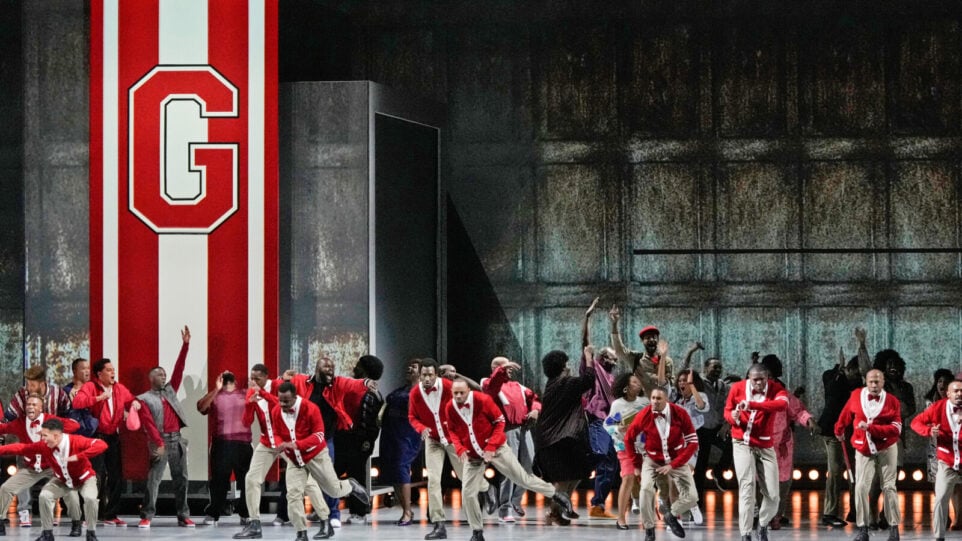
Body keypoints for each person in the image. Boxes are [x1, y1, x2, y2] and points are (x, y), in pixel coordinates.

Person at [445, 379, 574, 541]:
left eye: (461, 393)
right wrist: (460, 448)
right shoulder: (450, 407)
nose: (458, 396)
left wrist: (491, 448)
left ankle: (556, 495)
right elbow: (452, 430)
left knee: (522, 478)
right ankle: (477, 532)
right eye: (455, 393)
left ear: (468, 391)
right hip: (473, 453)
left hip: (497, 448)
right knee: (468, 494)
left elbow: (500, 422)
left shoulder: (483, 399)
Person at [233, 365, 324, 539]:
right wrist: (248, 404)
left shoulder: (277, 387)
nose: (254, 381)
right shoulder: (251, 391)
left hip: (285, 441)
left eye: (257, 378)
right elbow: (246, 422)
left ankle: (325, 518)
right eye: (252, 378)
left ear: (266, 377)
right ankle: (254, 523)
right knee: (251, 478)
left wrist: (263, 394)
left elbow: (281, 406)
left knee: (308, 481)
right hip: (267, 442)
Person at [408, 358, 494, 540]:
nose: (427, 378)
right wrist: (421, 428)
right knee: (433, 480)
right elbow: (412, 416)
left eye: (430, 374)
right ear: (420, 375)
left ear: (436, 374)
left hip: (453, 439)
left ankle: (486, 487)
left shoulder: (448, 386)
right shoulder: (415, 393)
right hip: (433, 440)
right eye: (424, 375)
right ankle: (439, 525)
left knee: (466, 476)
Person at [271, 382, 369, 541]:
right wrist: (279, 443)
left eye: (286, 401)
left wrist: (297, 444)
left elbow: (319, 436)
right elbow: (275, 433)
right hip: (295, 459)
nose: (282, 404)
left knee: (333, 490)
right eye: (280, 400)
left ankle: (350, 485)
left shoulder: (310, 409)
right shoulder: (276, 411)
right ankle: (301, 533)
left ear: (295, 397)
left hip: (316, 454)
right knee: (293, 495)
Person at [284, 355, 374, 528]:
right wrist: (282, 378)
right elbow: (281, 386)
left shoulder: (337, 384)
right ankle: (298, 516)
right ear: (317, 368)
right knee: (296, 481)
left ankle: (334, 513)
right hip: (302, 440)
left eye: (332, 366)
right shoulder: (302, 381)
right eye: (326, 366)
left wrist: (365, 383)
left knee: (328, 479)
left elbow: (352, 384)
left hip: (325, 440)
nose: (330, 369)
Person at [0, 418, 106, 541]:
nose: (42, 438)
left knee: (90, 498)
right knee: (44, 496)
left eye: (45, 435)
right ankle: (47, 533)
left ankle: (91, 533)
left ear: (56, 436)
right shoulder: (44, 446)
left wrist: (79, 456)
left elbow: (101, 444)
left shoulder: (76, 441)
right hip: (63, 480)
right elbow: (22, 448)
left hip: (85, 478)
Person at [135, 325, 195, 528]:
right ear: (151, 377)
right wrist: (158, 443)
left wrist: (185, 345)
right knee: (154, 480)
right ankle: (147, 515)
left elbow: (179, 369)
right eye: (160, 374)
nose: (164, 376)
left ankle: (183, 515)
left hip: (176, 439)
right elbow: (149, 424)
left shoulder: (170, 390)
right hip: (158, 441)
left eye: (164, 374)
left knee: (182, 479)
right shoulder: (144, 398)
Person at [624, 385, 699, 541]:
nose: (655, 402)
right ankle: (649, 529)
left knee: (692, 497)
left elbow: (693, 441)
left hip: (676, 459)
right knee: (645, 490)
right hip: (652, 460)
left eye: (659, 398)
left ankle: (670, 515)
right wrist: (637, 465)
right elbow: (628, 438)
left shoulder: (680, 413)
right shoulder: (644, 414)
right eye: (653, 398)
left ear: (667, 400)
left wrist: (674, 464)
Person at [835, 369, 902, 541]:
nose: (874, 385)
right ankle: (863, 528)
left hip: (886, 446)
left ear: (883, 381)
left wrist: (872, 428)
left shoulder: (892, 401)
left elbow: (896, 429)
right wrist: (839, 428)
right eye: (871, 381)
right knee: (861, 487)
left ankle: (894, 528)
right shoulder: (856, 395)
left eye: (877, 381)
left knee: (889, 487)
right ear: (865, 381)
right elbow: (845, 414)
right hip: (863, 447)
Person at [0, 395, 81, 536]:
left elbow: (75, 426)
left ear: (41, 408)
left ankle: (76, 523)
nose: (31, 407)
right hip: (31, 468)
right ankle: (0, 522)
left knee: (70, 490)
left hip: (52, 467)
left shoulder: (50, 420)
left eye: (34, 405)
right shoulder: (20, 423)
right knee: (6, 488)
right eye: (29, 404)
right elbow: (4, 428)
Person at [724, 363, 788, 541]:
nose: (758, 383)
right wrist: (732, 417)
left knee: (774, 495)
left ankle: (763, 523)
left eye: (762, 379)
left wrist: (752, 405)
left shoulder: (776, 389)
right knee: (747, 487)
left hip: (765, 444)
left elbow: (781, 405)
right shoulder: (737, 388)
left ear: (768, 378)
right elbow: (728, 410)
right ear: (749, 379)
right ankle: (745, 534)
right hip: (741, 442)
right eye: (755, 380)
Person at [533, 348, 596, 526]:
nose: (569, 367)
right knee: (562, 480)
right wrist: (589, 358)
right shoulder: (563, 383)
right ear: (562, 367)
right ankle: (553, 512)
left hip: (561, 440)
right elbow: (589, 380)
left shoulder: (554, 383)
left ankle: (559, 508)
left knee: (576, 473)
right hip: (555, 441)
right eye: (567, 364)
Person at [5, 364, 73, 526]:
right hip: (29, 442)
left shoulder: (58, 394)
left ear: (42, 383)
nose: (29, 388)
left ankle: (49, 508)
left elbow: (68, 413)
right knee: (23, 472)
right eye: (27, 384)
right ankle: (24, 511)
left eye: (32, 384)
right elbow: (10, 415)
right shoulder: (22, 394)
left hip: (51, 444)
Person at [71, 357, 136, 526]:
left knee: (116, 476)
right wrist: (98, 398)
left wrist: (136, 403)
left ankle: (110, 514)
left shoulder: (119, 389)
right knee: (95, 477)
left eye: (113, 369)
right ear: (99, 374)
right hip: (96, 437)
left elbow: (131, 399)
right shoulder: (90, 386)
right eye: (108, 370)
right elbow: (77, 402)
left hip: (113, 437)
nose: (113, 372)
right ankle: (89, 515)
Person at [759, 354, 816, 529]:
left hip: (782, 446)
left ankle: (777, 515)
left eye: (769, 377)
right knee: (759, 482)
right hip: (759, 445)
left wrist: (809, 420)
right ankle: (762, 515)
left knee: (783, 482)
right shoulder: (749, 395)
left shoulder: (782, 394)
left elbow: (798, 411)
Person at [481, 356, 540, 523]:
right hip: (506, 430)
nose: (509, 370)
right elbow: (492, 386)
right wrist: (501, 370)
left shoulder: (518, 386)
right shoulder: (488, 383)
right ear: (496, 368)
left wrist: (535, 410)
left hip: (524, 429)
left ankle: (514, 501)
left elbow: (534, 399)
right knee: (509, 470)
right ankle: (505, 508)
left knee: (528, 468)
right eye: (504, 367)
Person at [819, 340, 869, 527]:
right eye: (853, 372)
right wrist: (840, 370)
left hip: (851, 432)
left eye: (858, 375)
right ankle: (829, 512)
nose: (855, 377)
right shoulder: (832, 376)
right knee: (835, 470)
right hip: (833, 432)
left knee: (854, 471)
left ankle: (855, 511)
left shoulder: (856, 385)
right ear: (847, 368)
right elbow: (831, 391)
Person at [197, 370, 253, 526]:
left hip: (243, 443)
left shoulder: (245, 393)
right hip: (222, 444)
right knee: (219, 481)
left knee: (246, 481)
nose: (227, 373)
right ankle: (213, 513)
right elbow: (201, 408)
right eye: (224, 373)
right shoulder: (215, 396)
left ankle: (246, 513)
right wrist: (216, 389)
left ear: (235, 381)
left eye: (229, 373)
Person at [580, 298, 619, 519]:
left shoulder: (613, 379)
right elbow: (586, 343)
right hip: (597, 420)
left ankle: (597, 505)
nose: (614, 361)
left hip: (611, 423)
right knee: (600, 455)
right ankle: (573, 464)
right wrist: (588, 317)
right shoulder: (593, 367)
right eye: (611, 358)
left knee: (611, 464)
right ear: (603, 358)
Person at [333, 355, 384, 522]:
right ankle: (327, 507)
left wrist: (364, 442)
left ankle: (359, 512)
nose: (354, 368)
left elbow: (367, 421)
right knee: (333, 472)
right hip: (345, 437)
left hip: (357, 440)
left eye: (358, 366)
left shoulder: (370, 394)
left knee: (356, 474)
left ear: (365, 370)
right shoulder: (354, 388)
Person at [911, 379, 962, 541]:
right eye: (956, 391)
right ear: (948, 394)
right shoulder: (938, 407)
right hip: (946, 461)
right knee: (940, 499)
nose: (959, 394)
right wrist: (928, 430)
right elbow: (915, 422)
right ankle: (939, 537)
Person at [377, 358, 422, 526]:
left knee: (401, 467)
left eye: (414, 367)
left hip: (407, 433)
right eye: (409, 365)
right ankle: (406, 509)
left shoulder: (421, 390)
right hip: (390, 432)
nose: (409, 368)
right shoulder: (402, 389)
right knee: (393, 470)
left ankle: (407, 512)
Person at [605, 372, 648, 529]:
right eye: (635, 382)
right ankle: (621, 518)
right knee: (628, 477)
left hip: (644, 447)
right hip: (625, 446)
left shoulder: (645, 402)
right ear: (626, 388)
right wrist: (618, 428)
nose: (639, 384)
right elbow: (608, 424)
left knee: (647, 480)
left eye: (639, 382)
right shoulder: (618, 405)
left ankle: (647, 517)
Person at [923, 368, 962, 528]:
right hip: (934, 450)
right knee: (938, 486)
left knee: (957, 486)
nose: (942, 384)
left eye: (945, 382)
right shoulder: (930, 402)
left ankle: (959, 519)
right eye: (939, 381)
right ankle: (943, 519)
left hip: (955, 450)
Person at [609, 305, 672, 395]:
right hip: (642, 404)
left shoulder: (666, 361)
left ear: (658, 339)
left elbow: (670, 385)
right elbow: (619, 350)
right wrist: (614, 324)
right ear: (642, 341)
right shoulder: (636, 358)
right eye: (648, 337)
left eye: (654, 337)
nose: (651, 340)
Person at [693, 355, 733, 497]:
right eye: (714, 367)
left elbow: (730, 404)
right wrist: (692, 351)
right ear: (706, 368)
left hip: (717, 427)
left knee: (732, 445)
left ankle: (718, 470)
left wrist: (726, 425)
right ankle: (697, 500)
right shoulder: (700, 384)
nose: (717, 370)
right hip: (702, 429)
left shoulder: (723, 385)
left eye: (719, 368)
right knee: (701, 465)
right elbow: (686, 372)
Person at [63, 359, 98, 438]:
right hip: (74, 436)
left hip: (94, 434)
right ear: (74, 371)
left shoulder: (95, 388)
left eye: (88, 368)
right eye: (83, 369)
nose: (87, 371)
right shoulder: (66, 391)